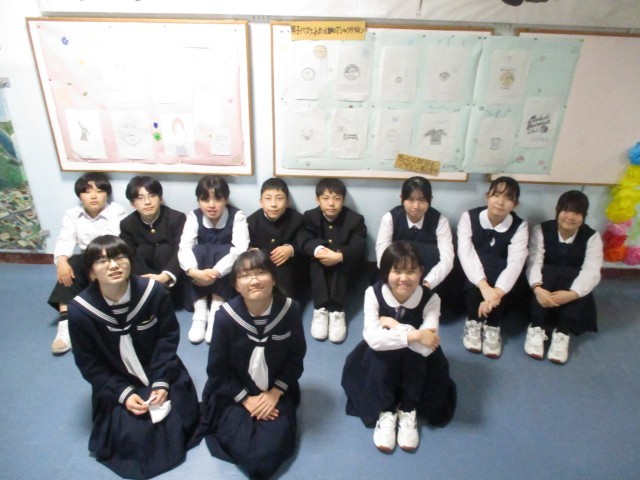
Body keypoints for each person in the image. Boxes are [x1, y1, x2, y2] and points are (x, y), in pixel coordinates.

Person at [67, 235, 200, 479]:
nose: (114, 265)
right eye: (102, 261)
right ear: (92, 273)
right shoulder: (81, 311)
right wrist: (124, 394)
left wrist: (161, 381)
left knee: (176, 420)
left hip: (158, 368)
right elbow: (89, 363)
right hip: (116, 379)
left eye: (120, 257)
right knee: (133, 436)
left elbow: (167, 338)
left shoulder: (153, 292)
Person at [201, 249, 306, 479]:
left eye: (261, 273)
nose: (254, 280)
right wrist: (246, 399)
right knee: (246, 449)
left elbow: (295, 359)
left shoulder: (290, 310)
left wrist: (274, 394)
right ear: (236, 285)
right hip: (234, 391)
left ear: (274, 278)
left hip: (276, 389)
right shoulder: (225, 317)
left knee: (269, 452)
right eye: (245, 275)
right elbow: (217, 370)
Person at [341, 241, 456, 453]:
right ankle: (386, 410)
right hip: (382, 356)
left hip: (418, 361)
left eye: (411, 271)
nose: (404, 278)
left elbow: (426, 347)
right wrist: (415, 334)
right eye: (397, 271)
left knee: (416, 356)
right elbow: (374, 339)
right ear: (386, 272)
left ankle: (408, 407)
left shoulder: (432, 299)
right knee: (381, 353)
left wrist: (393, 325)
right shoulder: (373, 293)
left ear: (421, 272)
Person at [47, 172, 126, 355]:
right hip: (86, 258)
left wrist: (100, 264)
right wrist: (61, 261)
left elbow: (118, 241)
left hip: (111, 257)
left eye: (99, 191)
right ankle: (65, 324)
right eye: (87, 191)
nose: (93, 196)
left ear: (107, 194)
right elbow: (65, 239)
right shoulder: (72, 214)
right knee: (71, 263)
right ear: (80, 195)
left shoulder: (117, 211)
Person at [525, 190, 603, 364]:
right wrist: (537, 288)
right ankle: (536, 327)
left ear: (584, 216)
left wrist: (573, 294)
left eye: (577, 212)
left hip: (570, 289)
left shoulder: (592, 237)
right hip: (545, 286)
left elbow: (592, 270)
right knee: (549, 271)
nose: (570, 217)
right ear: (557, 210)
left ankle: (562, 332)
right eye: (566, 210)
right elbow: (534, 261)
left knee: (575, 275)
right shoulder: (542, 230)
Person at [457, 176, 529, 358]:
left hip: (501, 280)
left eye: (508, 198)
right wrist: (484, 287)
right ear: (487, 196)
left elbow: (516, 263)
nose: (500, 202)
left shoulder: (520, 226)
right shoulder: (469, 217)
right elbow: (466, 254)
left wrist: (495, 293)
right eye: (496, 195)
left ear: (515, 204)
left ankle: (493, 324)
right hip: (473, 276)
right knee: (481, 262)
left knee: (499, 265)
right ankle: (473, 320)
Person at [178, 175, 249, 344]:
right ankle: (200, 310)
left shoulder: (237, 216)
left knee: (226, 250)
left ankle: (217, 309)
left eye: (217, 199)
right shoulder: (194, 216)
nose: (211, 205)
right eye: (205, 199)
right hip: (200, 272)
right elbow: (184, 247)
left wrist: (216, 272)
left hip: (224, 274)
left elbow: (240, 249)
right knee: (197, 251)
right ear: (198, 200)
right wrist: (194, 272)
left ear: (226, 199)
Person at [302, 178, 367, 343]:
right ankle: (320, 309)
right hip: (320, 261)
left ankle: (338, 311)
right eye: (325, 198)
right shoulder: (310, 216)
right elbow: (304, 238)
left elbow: (359, 244)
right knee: (315, 262)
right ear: (317, 200)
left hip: (345, 265)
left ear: (343, 200)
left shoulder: (355, 219)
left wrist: (339, 256)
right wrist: (319, 251)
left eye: (337, 198)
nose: (331, 203)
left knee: (341, 265)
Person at [375, 176, 454, 299]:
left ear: (430, 200)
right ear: (401, 198)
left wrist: (427, 284)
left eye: (422, 200)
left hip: (429, 275)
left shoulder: (440, 221)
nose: (416, 206)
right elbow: (382, 255)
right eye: (410, 199)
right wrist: (398, 281)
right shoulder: (390, 218)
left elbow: (447, 260)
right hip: (397, 275)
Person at [119, 175, 186, 309]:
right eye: (140, 198)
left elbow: (182, 250)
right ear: (132, 203)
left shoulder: (176, 218)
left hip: (171, 280)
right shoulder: (127, 224)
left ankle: (163, 295)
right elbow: (127, 256)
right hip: (143, 281)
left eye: (152, 196)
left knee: (164, 249)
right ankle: (149, 294)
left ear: (160, 198)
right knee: (140, 250)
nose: (147, 202)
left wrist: (165, 276)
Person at [247, 178, 308, 301]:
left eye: (279, 198)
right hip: (261, 267)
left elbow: (305, 243)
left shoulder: (297, 219)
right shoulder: (251, 222)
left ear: (287, 202)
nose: (273, 204)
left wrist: (291, 249)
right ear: (261, 202)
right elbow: (246, 247)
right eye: (268, 198)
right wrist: (252, 251)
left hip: (288, 269)